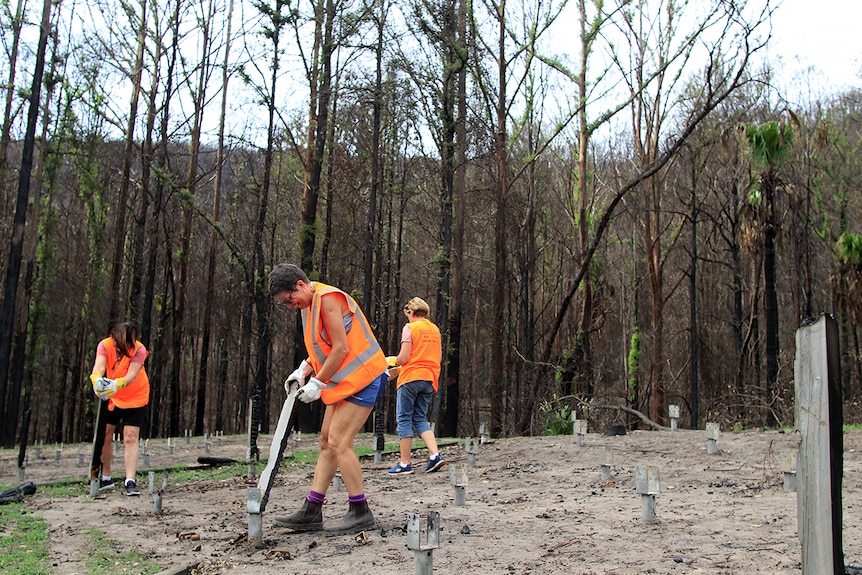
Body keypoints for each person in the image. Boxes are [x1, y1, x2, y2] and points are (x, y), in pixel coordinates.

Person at [268, 263, 389, 534]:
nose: (290, 305)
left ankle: (360, 510)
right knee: (326, 441)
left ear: (300, 285)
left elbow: (341, 347)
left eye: (289, 299)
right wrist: (304, 368)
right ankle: (312, 510)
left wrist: (318, 382)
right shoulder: (309, 305)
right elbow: (321, 346)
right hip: (345, 381)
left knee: (339, 441)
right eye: (284, 304)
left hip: (365, 376)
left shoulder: (329, 299)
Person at [89, 321, 150, 496]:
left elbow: (131, 374)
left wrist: (118, 383)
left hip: (135, 396)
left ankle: (130, 480)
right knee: (106, 435)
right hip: (112, 397)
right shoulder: (104, 345)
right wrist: (96, 379)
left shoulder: (138, 349)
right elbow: (99, 366)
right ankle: (106, 477)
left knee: (130, 437)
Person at [386, 297, 445, 475]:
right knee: (420, 419)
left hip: (410, 378)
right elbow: (438, 357)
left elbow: (403, 358)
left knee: (404, 419)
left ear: (411, 312)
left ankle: (405, 464)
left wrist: (390, 361)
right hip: (429, 379)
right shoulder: (435, 330)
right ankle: (435, 455)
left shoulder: (410, 328)